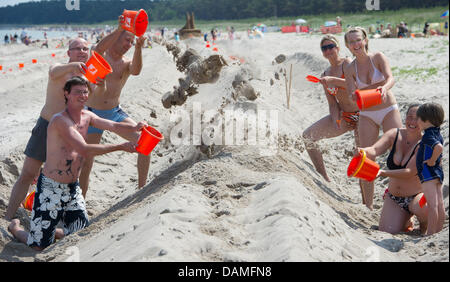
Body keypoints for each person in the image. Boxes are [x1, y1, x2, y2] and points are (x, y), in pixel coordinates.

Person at [3, 18, 125, 221]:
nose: (81, 51)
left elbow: (97, 95)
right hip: (46, 125)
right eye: (76, 48)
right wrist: (74, 66)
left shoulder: (89, 77)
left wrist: (101, 83)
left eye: (85, 49)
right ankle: (8, 217)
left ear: (89, 52)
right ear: (69, 52)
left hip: (69, 134)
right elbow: (53, 72)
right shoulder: (60, 68)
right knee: (27, 174)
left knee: (65, 179)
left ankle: (57, 219)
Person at [8, 76, 145, 250]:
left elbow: (112, 125)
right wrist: (120, 146)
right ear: (67, 94)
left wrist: (134, 127)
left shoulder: (88, 115)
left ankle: (52, 231)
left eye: (85, 91)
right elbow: (84, 149)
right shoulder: (60, 120)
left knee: (80, 235)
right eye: (77, 92)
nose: (82, 95)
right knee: (38, 246)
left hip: (72, 189)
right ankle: (16, 228)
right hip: (51, 188)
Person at [79, 30, 149, 198]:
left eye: (131, 42)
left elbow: (136, 70)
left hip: (114, 112)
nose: (128, 45)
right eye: (126, 40)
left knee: (145, 144)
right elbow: (97, 48)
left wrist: (138, 47)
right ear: (115, 38)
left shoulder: (125, 62)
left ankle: (142, 190)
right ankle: (80, 203)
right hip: (91, 113)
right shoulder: (99, 55)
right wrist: (120, 28)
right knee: (86, 161)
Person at [344, 27, 403, 209]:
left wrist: (384, 88)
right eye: (351, 41)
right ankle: (368, 206)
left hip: (387, 109)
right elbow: (350, 93)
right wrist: (355, 95)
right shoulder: (349, 67)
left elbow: (390, 78)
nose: (356, 44)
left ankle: (402, 199)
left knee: (400, 153)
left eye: (358, 40)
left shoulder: (377, 57)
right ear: (347, 45)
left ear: (365, 40)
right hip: (367, 113)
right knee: (366, 157)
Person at [358, 104, 427, 234]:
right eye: (410, 117)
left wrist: (383, 172)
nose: (412, 122)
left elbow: (410, 172)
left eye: (417, 119)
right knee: (387, 230)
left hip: (417, 196)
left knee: (422, 208)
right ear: (405, 117)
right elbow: (374, 149)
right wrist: (362, 151)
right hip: (395, 197)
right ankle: (406, 220)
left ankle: (424, 227)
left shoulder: (425, 143)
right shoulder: (394, 134)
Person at [302, 35, 357, 182]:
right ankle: (323, 177)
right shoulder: (325, 74)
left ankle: (366, 198)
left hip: (362, 114)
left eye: (331, 46)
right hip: (345, 115)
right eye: (324, 48)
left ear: (338, 48)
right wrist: (335, 119)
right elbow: (333, 103)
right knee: (308, 136)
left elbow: (356, 85)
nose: (328, 50)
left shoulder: (347, 63)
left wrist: (333, 81)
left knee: (361, 154)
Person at [416, 103, 445, 235]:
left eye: (418, 119)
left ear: (426, 121)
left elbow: (438, 148)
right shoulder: (438, 133)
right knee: (439, 204)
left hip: (428, 174)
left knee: (432, 205)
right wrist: (437, 161)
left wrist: (432, 160)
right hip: (437, 173)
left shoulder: (427, 135)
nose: (417, 121)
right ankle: (438, 231)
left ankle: (430, 232)